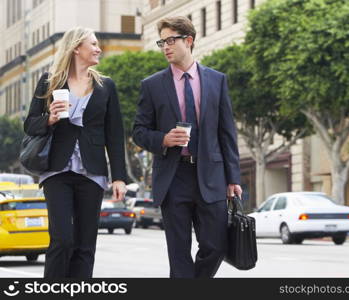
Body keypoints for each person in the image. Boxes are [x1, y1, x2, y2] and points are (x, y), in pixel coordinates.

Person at [132, 16, 242, 278]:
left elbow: (227, 133)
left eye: (171, 40)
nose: (165, 47)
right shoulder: (152, 85)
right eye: (162, 42)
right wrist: (163, 139)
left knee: (215, 246)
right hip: (173, 178)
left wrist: (232, 177)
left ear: (188, 41)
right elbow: (138, 131)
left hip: (211, 176)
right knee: (178, 253)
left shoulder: (217, 80)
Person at [23, 27, 127, 278]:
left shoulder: (106, 86)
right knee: (62, 240)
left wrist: (120, 177)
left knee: (85, 245)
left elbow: (114, 134)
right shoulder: (50, 81)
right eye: (93, 44)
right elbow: (30, 124)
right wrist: (50, 119)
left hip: (92, 173)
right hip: (56, 170)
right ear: (76, 48)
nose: (98, 48)